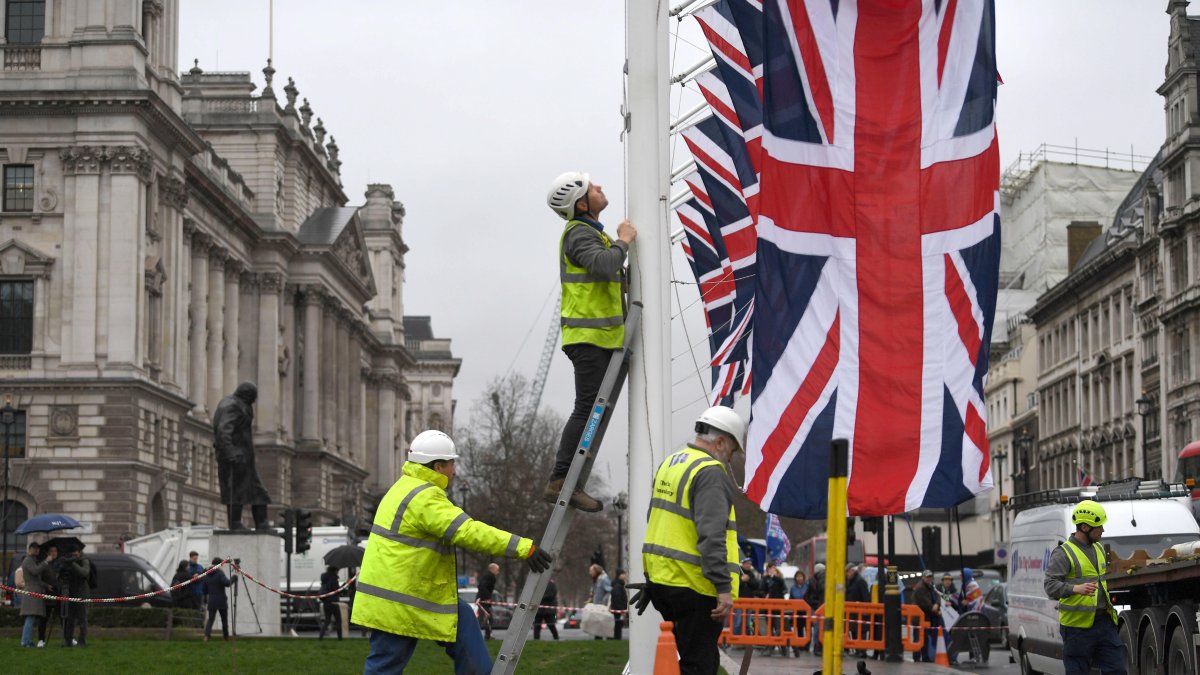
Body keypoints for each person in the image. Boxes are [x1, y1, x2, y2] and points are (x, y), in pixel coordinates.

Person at [354, 429, 553, 675]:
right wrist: (525, 548)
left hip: (404, 595)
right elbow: (468, 532)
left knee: (462, 621)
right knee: (385, 667)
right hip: (401, 599)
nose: (455, 471)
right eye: (451, 464)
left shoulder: (404, 488)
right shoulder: (425, 497)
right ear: (437, 467)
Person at [542, 171, 637, 513]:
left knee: (590, 410)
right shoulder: (580, 233)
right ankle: (561, 481)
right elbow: (603, 266)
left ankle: (568, 481)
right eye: (592, 187)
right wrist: (624, 242)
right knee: (587, 409)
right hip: (589, 338)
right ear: (581, 204)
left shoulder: (588, 233)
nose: (600, 187)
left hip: (600, 337)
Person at [635, 406, 744, 675]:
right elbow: (711, 537)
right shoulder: (710, 472)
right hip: (696, 586)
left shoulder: (671, 463)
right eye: (731, 451)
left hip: (664, 582)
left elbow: (658, 522)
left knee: (690, 661)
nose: (729, 459)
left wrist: (653, 580)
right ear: (720, 442)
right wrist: (723, 588)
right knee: (700, 666)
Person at [1044, 500, 1126, 675]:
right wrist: (1075, 589)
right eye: (1099, 526)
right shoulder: (1063, 553)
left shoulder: (1098, 548)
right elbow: (1050, 586)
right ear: (1084, 527)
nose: (1103, 530)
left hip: (1104, 622)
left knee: (1117, 670)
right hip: (1076, 628)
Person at [212, 381, 272, 530]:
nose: (255, 400)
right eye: (254, 397)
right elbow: (223, 430)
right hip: (235, 458)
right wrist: (230, 453)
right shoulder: (232, 405)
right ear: (248, 394)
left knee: (258, 492)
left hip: (245, 458)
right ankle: (235, 524)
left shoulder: (241, 405)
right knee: (235, 492)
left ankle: (262, 524)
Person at [19, 541, 55, 648]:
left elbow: (37, 579)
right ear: (29, 549)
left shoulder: (32, 560)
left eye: (38, 548)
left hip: (35, 591)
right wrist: (46, 562)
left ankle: (26, 640)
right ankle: (25, 641)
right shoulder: (28, 560)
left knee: (31, 617)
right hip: (31, 593)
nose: (37, 550)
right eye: (34, 548)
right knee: (30, 617)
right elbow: (35, 572)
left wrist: (46, 585)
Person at [60, 546, 92, 647]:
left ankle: (82, 641)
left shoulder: (84, 560)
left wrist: (72, 563)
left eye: (75, 553)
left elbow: (84, 573)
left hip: (82, 592)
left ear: (79, 552)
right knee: (69, 618)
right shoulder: (67, 561)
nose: (74, 555)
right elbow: (62, 575)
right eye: (72, 553)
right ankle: (68, 640)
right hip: (70, 592)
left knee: (82, 618)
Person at [202, 557, 234, 641]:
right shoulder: (219, 573)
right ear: (219, 565)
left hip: (211, 600)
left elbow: (204, 590)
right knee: (224, 620)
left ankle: (206, 636)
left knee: (211, 619)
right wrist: (235, 577)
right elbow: (227, 583)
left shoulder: (207, 574)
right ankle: (226, 637)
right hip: (221, 600)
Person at [912, 570, 941, 662]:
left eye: (930, 577)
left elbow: (938, 595)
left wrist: (937, 603)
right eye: (927, 577)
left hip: (926, 617)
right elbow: (926, 604)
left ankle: (925, 657)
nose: (929, 579)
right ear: (923, 578)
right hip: (919, 618)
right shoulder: (920, 588)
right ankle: (917, 657)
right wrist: (936, 610)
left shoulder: (930, 586)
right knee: (918, 638)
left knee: (925, 638)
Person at [845, 564, 871, 655]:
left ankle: (862, 651)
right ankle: (857, 650)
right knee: (854, 631)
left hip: (860, 612)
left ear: (852, 571)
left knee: (861, 631)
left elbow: (866, 597)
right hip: (852, 612)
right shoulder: (850, 582)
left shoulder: (860, 581)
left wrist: (865, 610)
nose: (847, 574)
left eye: (848, 572)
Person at [588, 563, 612, 640]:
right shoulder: (596, 579)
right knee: (597, 623)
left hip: (601, 606)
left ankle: (608, 638)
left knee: (603, 623)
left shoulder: (603, 579)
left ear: (596, 571)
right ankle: (598, 638)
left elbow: (609, 590)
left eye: (591, 571)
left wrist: (603, 602)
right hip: (597, 605)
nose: (590, 573)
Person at [319, 565, 343, 640]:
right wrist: (345, 585)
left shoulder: (324, 578)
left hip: (326, 602)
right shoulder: (334, 579)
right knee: (338, 620)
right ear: (335, 571)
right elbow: (337, 591)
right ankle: (340, 638)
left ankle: (321, 636)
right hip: (334, 602)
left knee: (327, 620)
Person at [475, 562, 499, 640]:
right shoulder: (490, 576)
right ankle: (484, 635)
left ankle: (488, 635)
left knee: (487, 618)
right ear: (493, 569)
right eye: (497, 570)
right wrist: (487, 598)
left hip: (483, 600)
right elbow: (482, 586)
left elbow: (480, 586)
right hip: (484, 601)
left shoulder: (487, 576)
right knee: (485, 618)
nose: (498, 572)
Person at [610, 569, 628, 640]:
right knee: (618, 625)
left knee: (618, 624)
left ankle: (617, 638)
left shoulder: (619, 584)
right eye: (623, 574)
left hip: (617, 608)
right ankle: (617, 638)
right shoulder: (618, 585)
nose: (625, 576)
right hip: (618, 609)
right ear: (619, 575)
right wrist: (621, 610)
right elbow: (618, 598)